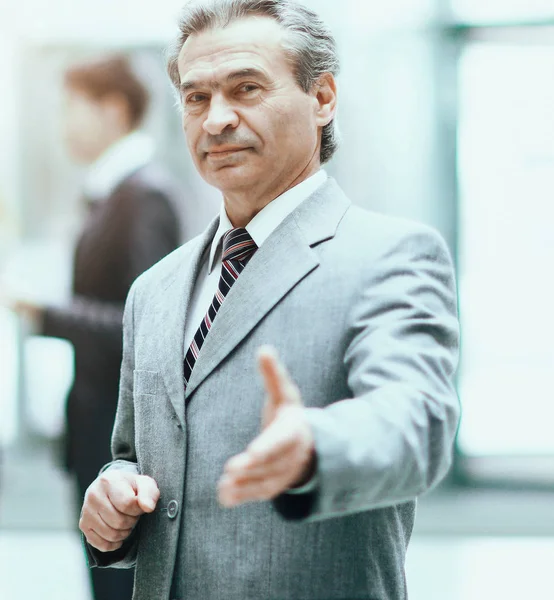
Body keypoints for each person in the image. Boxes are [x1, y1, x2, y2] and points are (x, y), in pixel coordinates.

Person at [79, 2, 460, 599]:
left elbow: (416, 423)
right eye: (197, 98)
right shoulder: (153, 290)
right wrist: (114, 492)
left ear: (324, 98)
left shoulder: (390, 255)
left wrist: (314, 447)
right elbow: (132, 455)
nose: (216, 120)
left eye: (246, 88)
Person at [9, 56, 181, 600]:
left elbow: (146, 328)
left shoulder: (142, 196)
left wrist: (44, 311)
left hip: (121, 442)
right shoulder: (112, 194)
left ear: (113, 110)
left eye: (71, 108)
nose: (63, 124)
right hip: (98, 429)